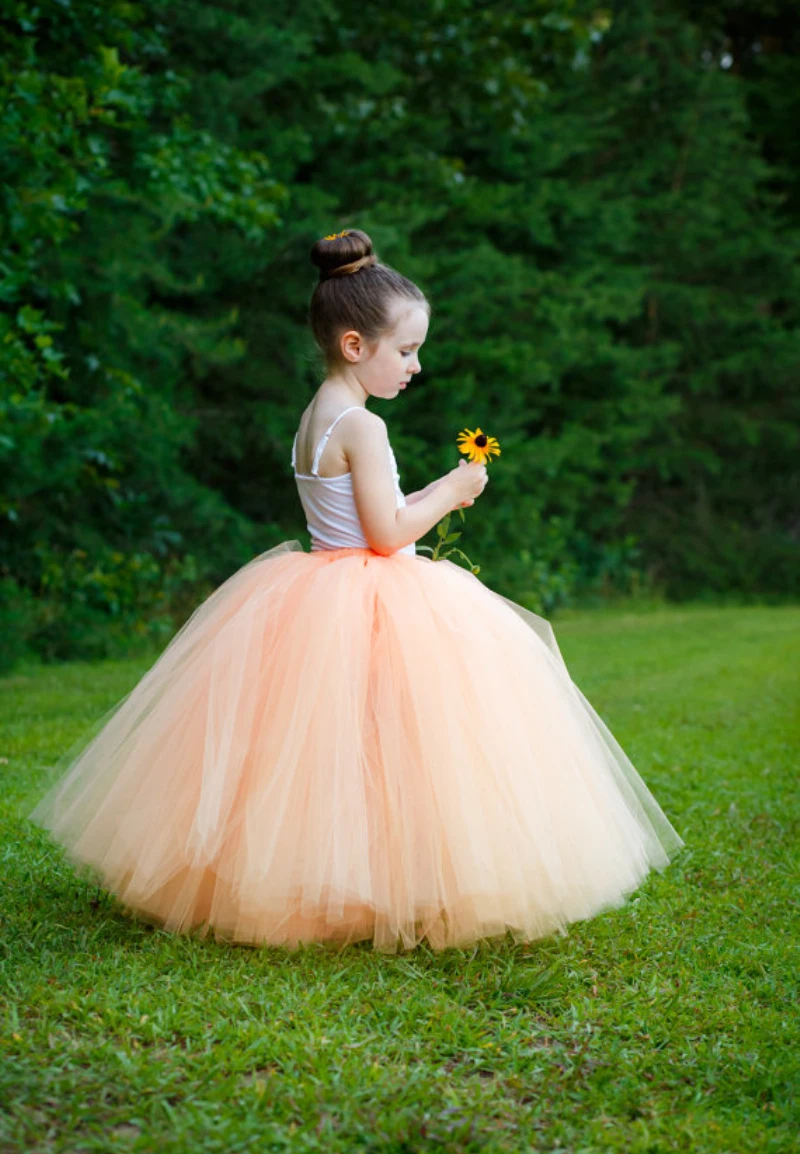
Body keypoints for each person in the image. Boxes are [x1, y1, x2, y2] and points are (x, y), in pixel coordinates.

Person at [29, 228, 685, 953]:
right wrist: (457, 487)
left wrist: (436, 490)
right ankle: (391, 885)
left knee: (329, 746)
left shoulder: (317, 414)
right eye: (405, 351)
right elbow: (387, 534)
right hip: (370, 591)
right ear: (354, 346)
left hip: (313, 586)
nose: (416, 365)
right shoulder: (363, 427)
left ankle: (333, 877)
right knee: (394, 743)